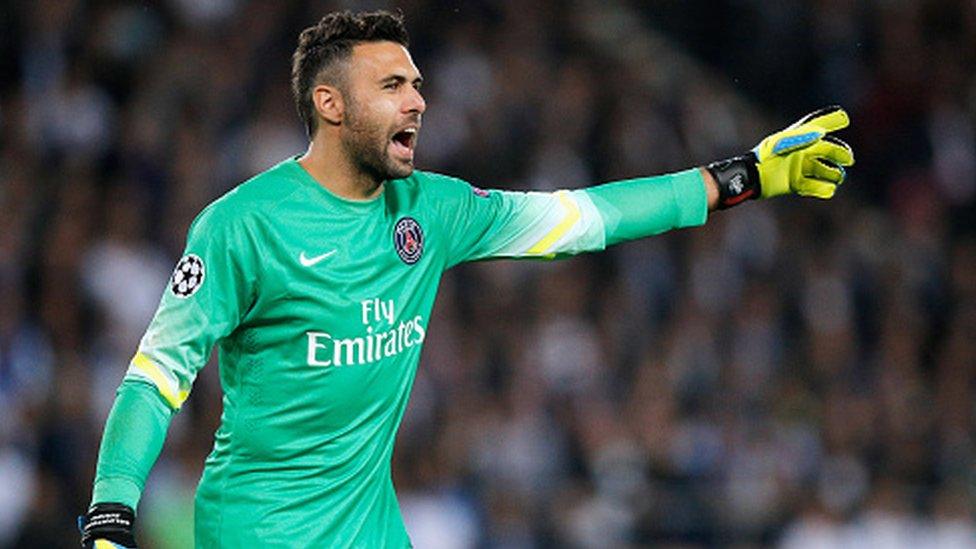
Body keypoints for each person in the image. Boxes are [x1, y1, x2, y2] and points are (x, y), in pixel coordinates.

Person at [79, 9, 853, 548]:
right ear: (330, 104)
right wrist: (111, 511)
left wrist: (740, 176)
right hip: (258, 532)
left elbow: (580, 217)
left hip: (371, 529)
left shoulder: (434, 209)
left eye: (416, 83)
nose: (418, 98)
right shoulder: (241, 225)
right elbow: (155, 375)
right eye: (391, 86)